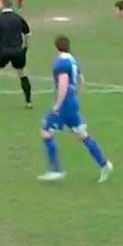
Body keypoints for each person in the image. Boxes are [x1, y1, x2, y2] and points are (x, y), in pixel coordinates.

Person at [37, 35, 114, 183]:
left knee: (46, 131)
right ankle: (104, 164)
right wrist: (75, 95)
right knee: (82, 135)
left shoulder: (61, 63)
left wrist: (58, 105)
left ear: (56, 47)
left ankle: (56, 170)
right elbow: (81, 80)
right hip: (73, 102)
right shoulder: (73, 61)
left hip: (65, 104)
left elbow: (63, 84)